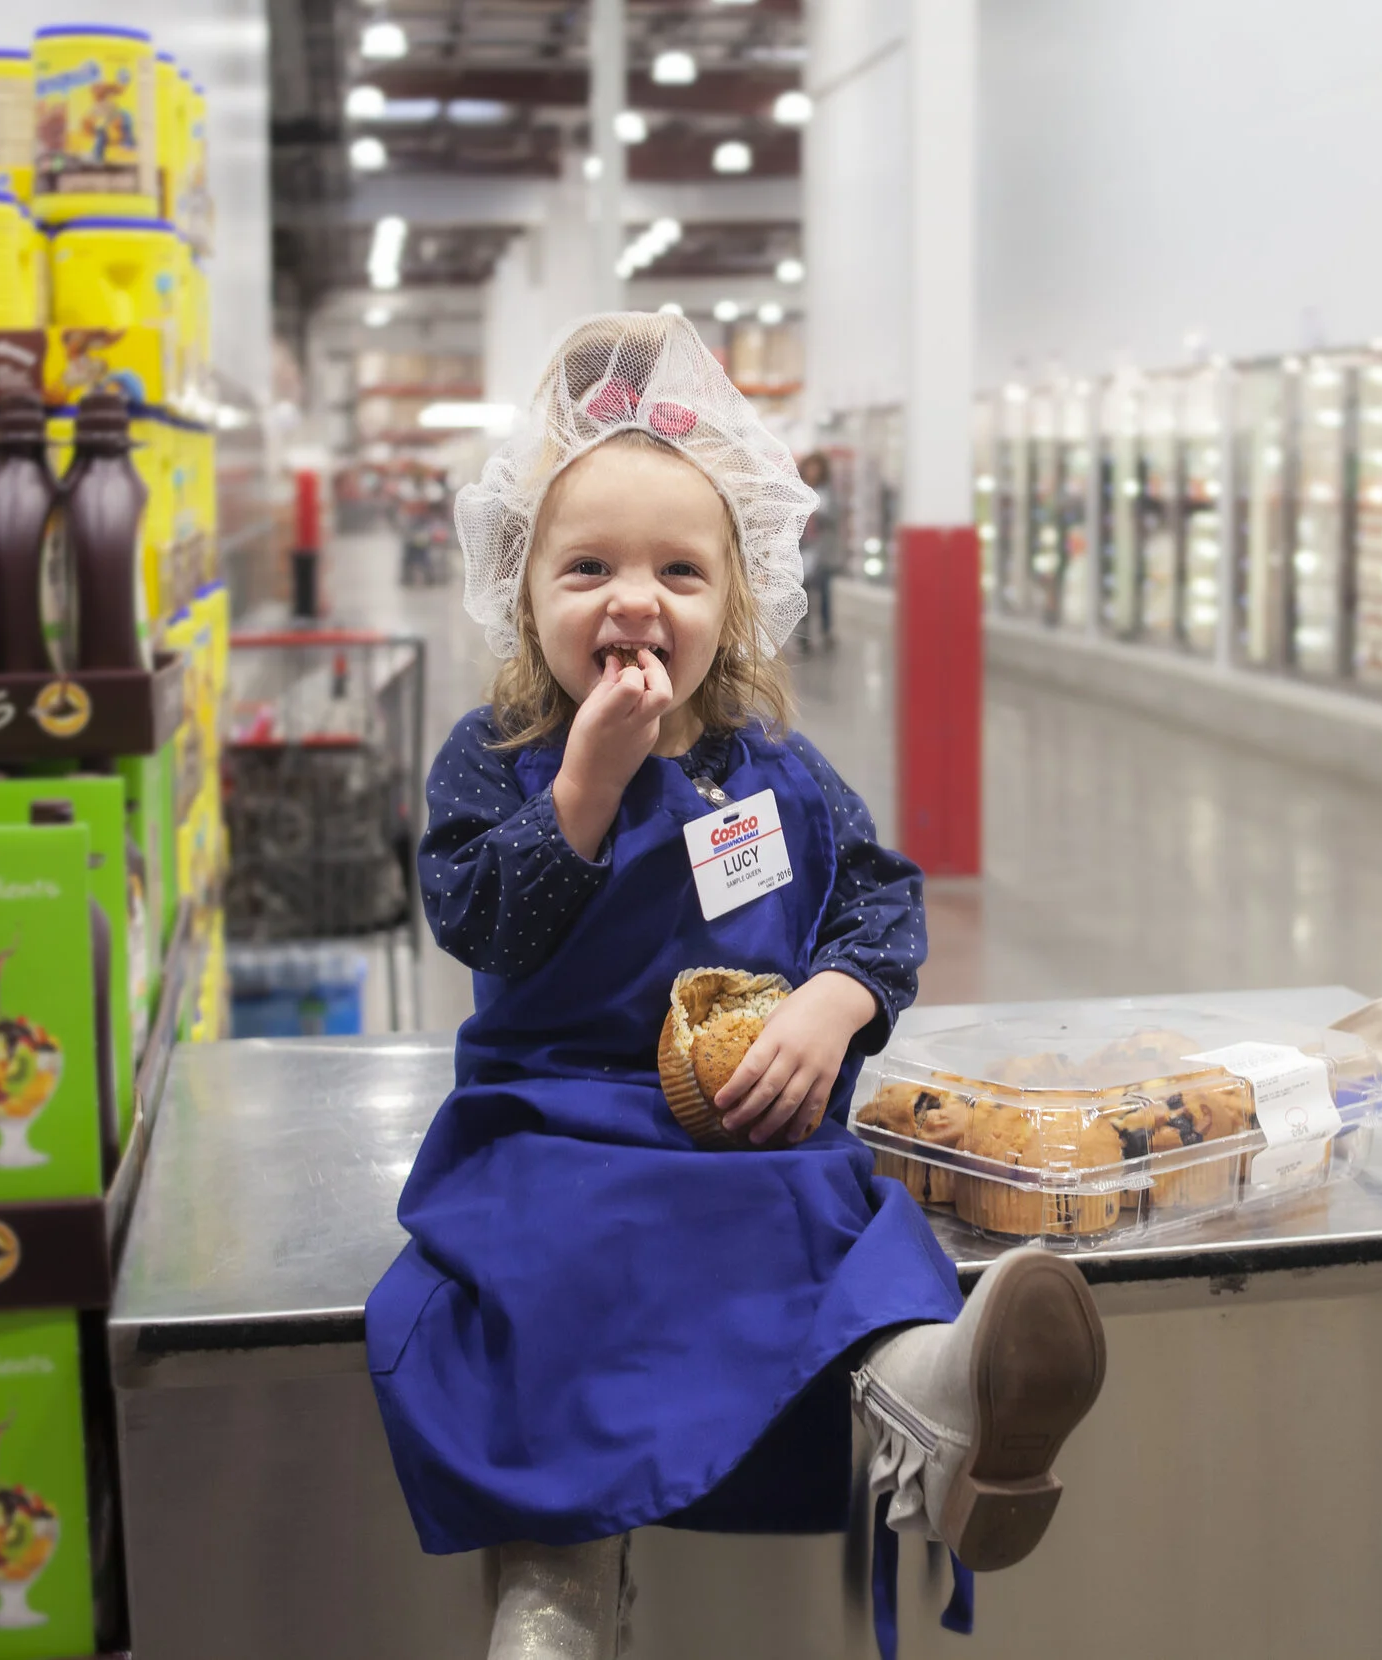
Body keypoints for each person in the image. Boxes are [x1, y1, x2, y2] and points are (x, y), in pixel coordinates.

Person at [367, 313, 1107, 1660]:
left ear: (739, 594)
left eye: (679, 570)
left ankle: (939, 1409)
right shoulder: (501, 754)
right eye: (587, 566)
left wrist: (833, 1005)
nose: (633, 601)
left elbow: (876, 897)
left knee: (827, 1233)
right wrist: (586, 785)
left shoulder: (770, 765)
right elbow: (479, 918)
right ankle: (559, 1588)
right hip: (556, 1132)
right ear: (523, 591)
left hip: (746, 1134)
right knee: (541, 1296)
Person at [796, 448, 839, 652]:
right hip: (801, 551)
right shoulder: (797, 490)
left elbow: (834, 518)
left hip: (821, 552)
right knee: (803, 595)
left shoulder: (828, 493)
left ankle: (826, 630)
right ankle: (804, 636)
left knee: (823, 593)